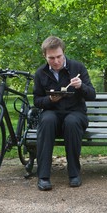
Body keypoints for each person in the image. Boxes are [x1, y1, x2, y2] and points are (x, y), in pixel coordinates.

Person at [33, 36, 96, 191]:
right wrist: (49, 100)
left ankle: (74, 174)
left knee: (72, 122)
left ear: (64, 53)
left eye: (59, 57)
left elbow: (92, 95)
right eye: (51, 58)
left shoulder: (77, 68)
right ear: (45, 56)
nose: (56, 61)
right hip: (52, 113)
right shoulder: (40, 73)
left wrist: (81, 86)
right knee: (46, 121)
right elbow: (37, 100)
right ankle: (43, 176)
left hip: (75, 113)